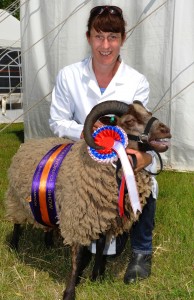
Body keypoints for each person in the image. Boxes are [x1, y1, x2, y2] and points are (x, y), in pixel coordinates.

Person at [49, 5, 158, 284]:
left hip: (118, 157)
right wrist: (88, 131)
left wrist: (133, 154)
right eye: (99, 37)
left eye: (112, 37)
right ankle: (64, 229)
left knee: (145, 178)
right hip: (80, 153)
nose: (105, 45)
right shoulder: (69, 75)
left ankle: (142, 251)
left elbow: (138, 131)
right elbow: (57, 121)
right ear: (88, 38)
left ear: (123, 39)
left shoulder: (136, 82)